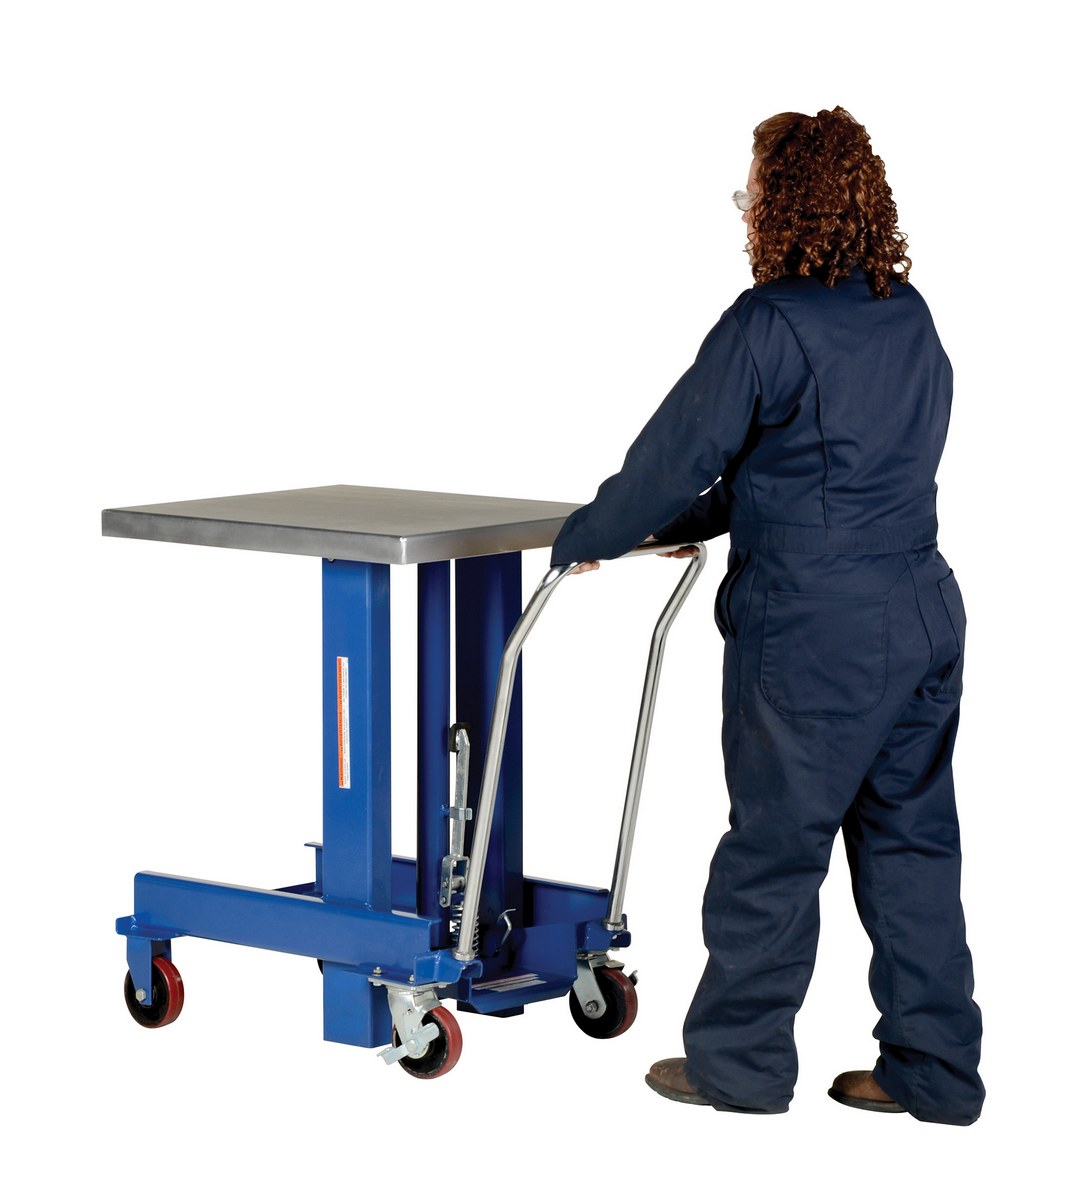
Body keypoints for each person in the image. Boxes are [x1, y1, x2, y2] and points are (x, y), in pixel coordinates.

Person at [550, 107, 984, 1126]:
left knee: (773, 850)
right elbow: (819, 464)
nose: (742, 208)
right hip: (920, 609)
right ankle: (933, 1073)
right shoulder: (907, 313)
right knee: (912, 846)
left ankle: (740, 1067)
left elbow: (676, 454)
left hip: (814, 630)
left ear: (782, 203)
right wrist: (687, 521)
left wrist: (591, 533)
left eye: (750, 190)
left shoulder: (768, 320)